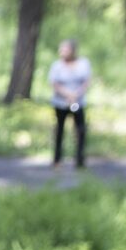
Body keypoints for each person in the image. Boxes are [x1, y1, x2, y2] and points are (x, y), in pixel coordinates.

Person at [46, 38, 92, 168]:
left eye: (65, 49)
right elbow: (53, 83)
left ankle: (79, 159)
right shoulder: (57, 65)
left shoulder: (83, 63)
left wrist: (76, 95)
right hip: (61, 103)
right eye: (61, 49)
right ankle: (57, 159)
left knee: (80, 130)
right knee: (60, 129)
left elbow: (87, 81)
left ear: (72, 51)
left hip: (78, 102)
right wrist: (67, 94)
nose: (62, 51)